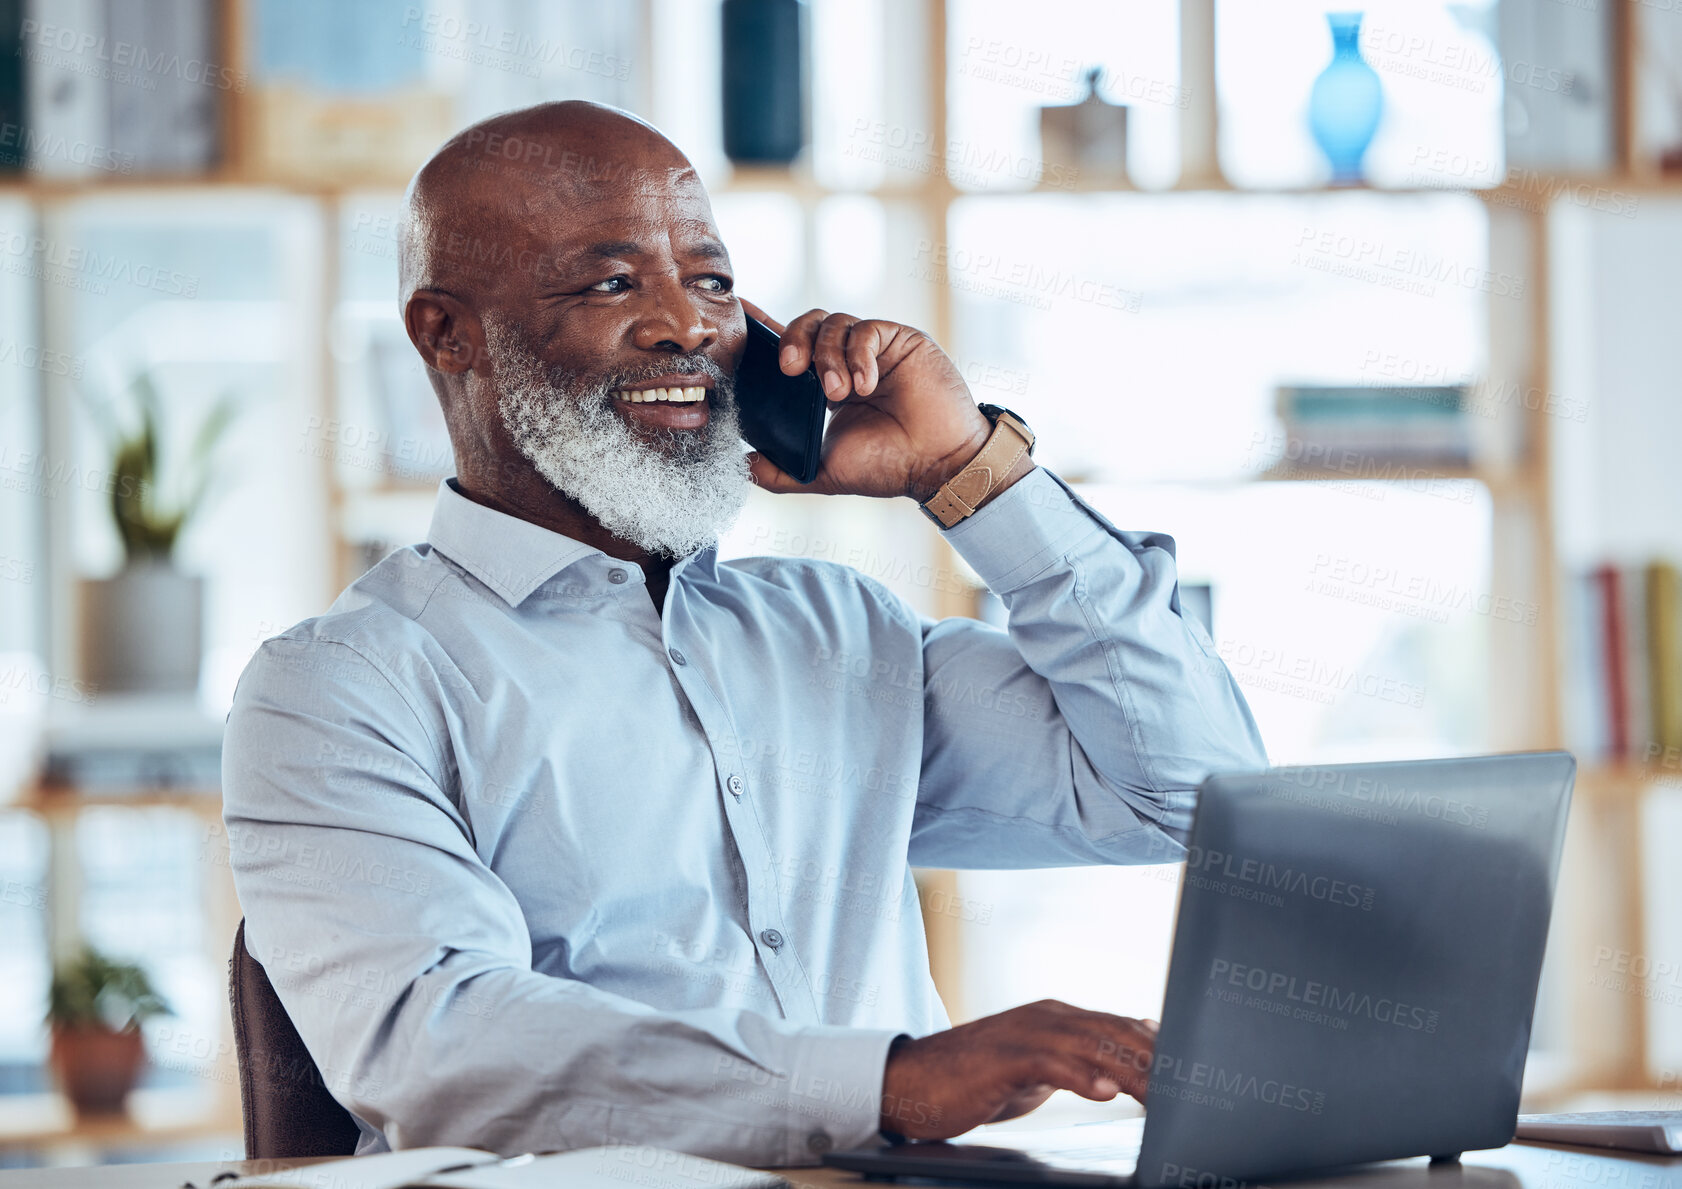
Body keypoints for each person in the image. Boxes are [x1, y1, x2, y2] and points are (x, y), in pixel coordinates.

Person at [222, 101, 1266, 1166]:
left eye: (713, 282)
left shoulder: (840, 628)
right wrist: (889, 1082)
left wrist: (969, 471)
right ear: (446, 331)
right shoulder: (336, 689)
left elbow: (1188, 792)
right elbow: (440, 1055)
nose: (688, 325)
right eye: (612, 282)